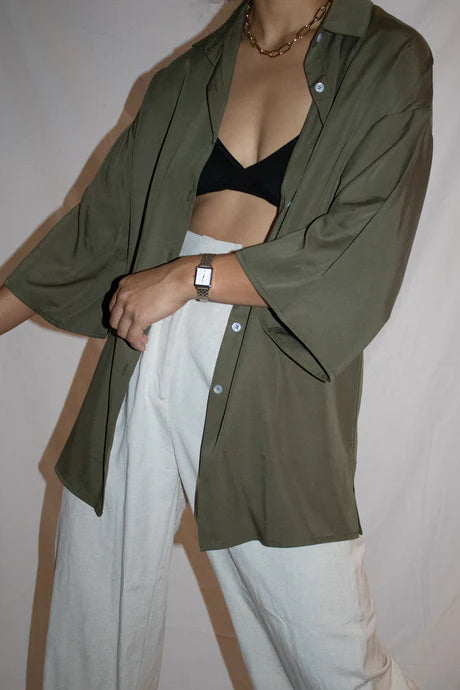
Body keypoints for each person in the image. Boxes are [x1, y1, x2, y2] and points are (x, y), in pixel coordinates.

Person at [0, 0, 433, 687]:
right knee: (93, 634)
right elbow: (97, 228)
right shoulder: (188, 73)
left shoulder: (387, 56)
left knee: (329, 654)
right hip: (142, 351)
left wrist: (190, 276)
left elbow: (365, 242)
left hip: (271, 360)